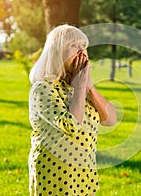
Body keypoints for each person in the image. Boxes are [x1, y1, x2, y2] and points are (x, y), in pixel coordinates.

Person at [28, 24, 117, 196]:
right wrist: (81, 87)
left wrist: (89, 87)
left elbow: (110, 120)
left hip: (84, 175)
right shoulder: (43, 88)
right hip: (55, 174)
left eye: (84, 46)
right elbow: (71, 126)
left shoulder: (79, 87)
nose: (81, 51)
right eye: (74, 45)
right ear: (57, 53)